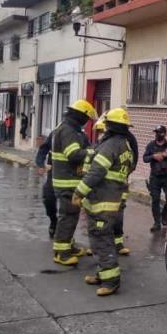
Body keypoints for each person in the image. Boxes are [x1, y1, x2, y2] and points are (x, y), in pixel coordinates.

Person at [72, 108, 135, 296]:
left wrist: (79, 192)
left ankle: (111, 280)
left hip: (103, 200)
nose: (104, 128)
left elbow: (97, 171)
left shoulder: (110, 145)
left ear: (110, 126)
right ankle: (103, 273)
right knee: (98, 237)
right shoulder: (124, 145)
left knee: (102, 238)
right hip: (108, 198)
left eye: (106, 124)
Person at [51, 99, 97, 266]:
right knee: (68, 217)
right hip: (66, 182)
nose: (87, 122)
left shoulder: (70, 128)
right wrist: (92, 153)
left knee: (71, 216)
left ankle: (68, 246)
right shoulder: (68, 131)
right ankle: (61, 253)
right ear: (80, 116)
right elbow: (74, 154)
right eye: (87, 118)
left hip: (68, 181)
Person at [90, 114, 138, 255]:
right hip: (104, 187)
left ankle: (117, 243)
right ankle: (97, 244)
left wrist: (124, 173)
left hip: (117, 185)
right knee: (100, 217)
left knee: (117, 213)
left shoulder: (126, 140)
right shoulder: (103, 142)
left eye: (102, 131)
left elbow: (133, 159)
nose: (100, 135)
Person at [143, 125, 167, 232]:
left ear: (164, 134)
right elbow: (145, 158)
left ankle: (164, 214)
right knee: (155, 200)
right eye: (156, 133)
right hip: (155, 177)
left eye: (159, 133)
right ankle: (156, 223)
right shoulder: (151, 145)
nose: (157, 135)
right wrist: (153, 156)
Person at [35, 129, 57, 238]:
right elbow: (43, 149)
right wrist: (40, 164)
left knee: (69, 208)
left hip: (71, 175)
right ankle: (53, 220)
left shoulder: (80, 135)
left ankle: (66, 233)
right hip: (54, 173)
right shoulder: (56, 133)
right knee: (48, 198)